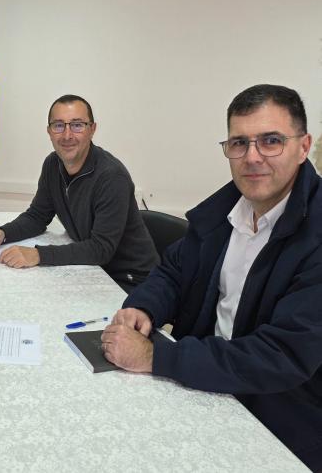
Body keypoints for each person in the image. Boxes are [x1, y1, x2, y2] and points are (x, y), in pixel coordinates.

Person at [101, 84, 322, 471]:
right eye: (239, 143)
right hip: (202, 386)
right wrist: (144, 306)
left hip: (277, 421)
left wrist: (157, 356)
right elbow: (173, 271)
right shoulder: (226, 210)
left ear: (303, 147)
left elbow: (282, 355)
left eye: (271, 141)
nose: (252, 157)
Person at [0, 94, 159, 292]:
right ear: (49, 131)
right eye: (58, 125)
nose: (67, 135)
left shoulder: (112, 177)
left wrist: (38, 255)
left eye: (77, 125)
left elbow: (101, 249)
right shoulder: (52, 164)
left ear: (92, 129)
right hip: (92, 271)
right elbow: (37, 216)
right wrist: (3, 233)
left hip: (131, 281)